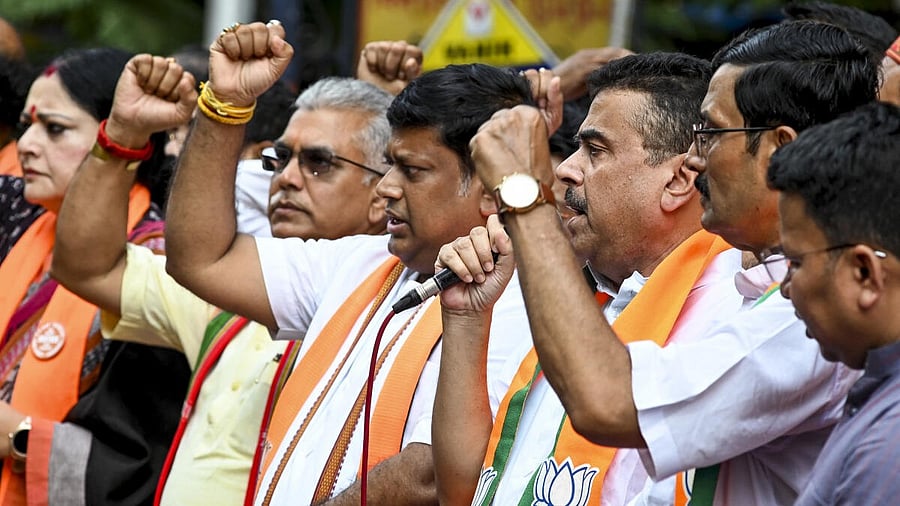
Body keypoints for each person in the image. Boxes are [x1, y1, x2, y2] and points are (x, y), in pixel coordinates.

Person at [441, 19, 878, 505]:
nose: (692, 161)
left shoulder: (806, 319)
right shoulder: (753, 287)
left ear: (780, 149)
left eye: (710, 133)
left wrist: (524, 192)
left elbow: (607, 402)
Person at [163, 21, 542, 505]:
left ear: (492, 186)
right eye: (389, 166)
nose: (385, 188)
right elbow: (201, 258)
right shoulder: (362, 259)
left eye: (413, 171)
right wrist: (225, 105)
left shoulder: (521, 300)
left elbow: (427, 476)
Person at [52, 55, 395, 504]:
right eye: (280, 158)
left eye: (319, 163)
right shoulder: (225, 298)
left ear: (384, 191)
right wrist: (123, 134)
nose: (286, 180)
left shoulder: (397, 314)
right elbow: (85, 266)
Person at [433, 52, 747, 505]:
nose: (565, 170)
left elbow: (604, 406)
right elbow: (463, 489)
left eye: (595, 151)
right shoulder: (577, 293)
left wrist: (523, 192)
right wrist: (467, 319)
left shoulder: (729, 308)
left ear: (680, 180)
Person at [0, 48, 190, 505]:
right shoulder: (22, 222)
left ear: (121, 136)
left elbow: (138, 458)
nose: (26, 144)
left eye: (55, 128)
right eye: (28, 125)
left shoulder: (159, 266)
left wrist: (17, 435)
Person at [766, 101, 900, 505]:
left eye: (796, 262)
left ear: (864, 273)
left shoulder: (888, 446)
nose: (786, 287)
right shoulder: (878, 392)